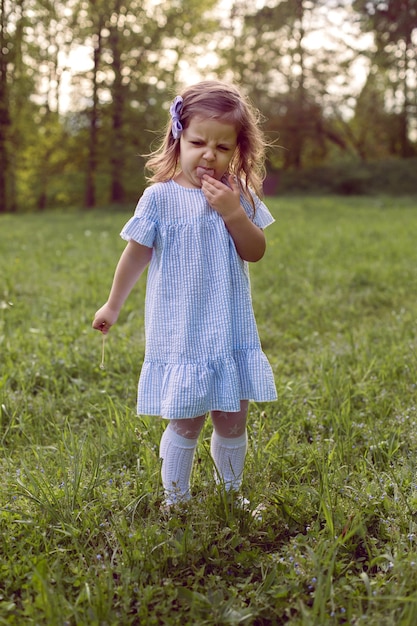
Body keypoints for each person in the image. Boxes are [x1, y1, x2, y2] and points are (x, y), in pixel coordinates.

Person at [92, 80, 277, 510]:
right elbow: (135, 255)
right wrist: (113, 304)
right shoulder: (160, 199)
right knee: (187, 419)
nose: (209, 155)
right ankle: (176, 500)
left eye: (223, 147)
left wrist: (232, 212)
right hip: (182, 331)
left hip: (228, 328)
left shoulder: (240, 197)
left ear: (238, 151)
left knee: (233, 417)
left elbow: (255, 252)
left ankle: (232, 497)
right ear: (178, 139)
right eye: (197, 142)